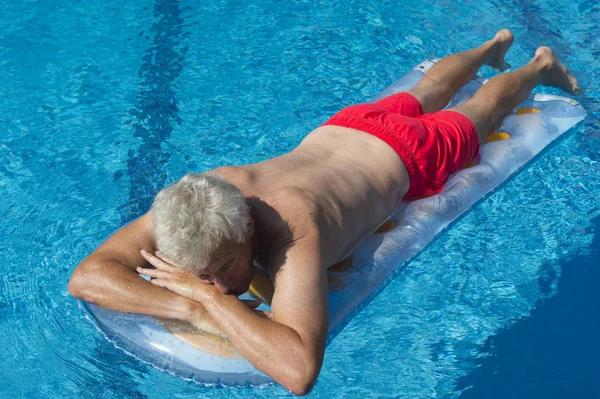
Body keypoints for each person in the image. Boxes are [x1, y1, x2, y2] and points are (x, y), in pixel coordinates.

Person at [68, 29, 579, 395]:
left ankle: (536, 65)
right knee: (424, 91)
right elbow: (86, 277)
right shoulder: (202, 198)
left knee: (478, 111)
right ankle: (490, 46)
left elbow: (298, 373)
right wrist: (188, 303)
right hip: (346, 129)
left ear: (248, 226)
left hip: (411, 156)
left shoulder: (295, 231)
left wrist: (206, 301)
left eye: (226, 270)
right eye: (208, 276)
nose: (224, 286)